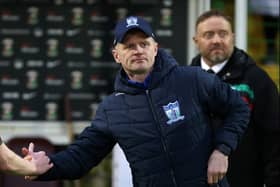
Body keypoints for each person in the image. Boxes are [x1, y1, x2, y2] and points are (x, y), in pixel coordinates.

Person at [5, 16, 249, 187]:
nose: (138, 50)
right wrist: (44, 167)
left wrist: (222, 150)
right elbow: (80, 158)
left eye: (144, 44)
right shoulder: (112, 108)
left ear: (155, 48)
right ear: (116, 55)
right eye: (129, 46)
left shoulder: (192, 79)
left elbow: (238, 108)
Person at [191, 10, 280, 187]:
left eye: (223, 34)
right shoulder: (185, 81)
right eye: (208, 35)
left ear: (232, 37)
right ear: (196, 41)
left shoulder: (257, 80)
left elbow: (274, 138)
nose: (217, 40)